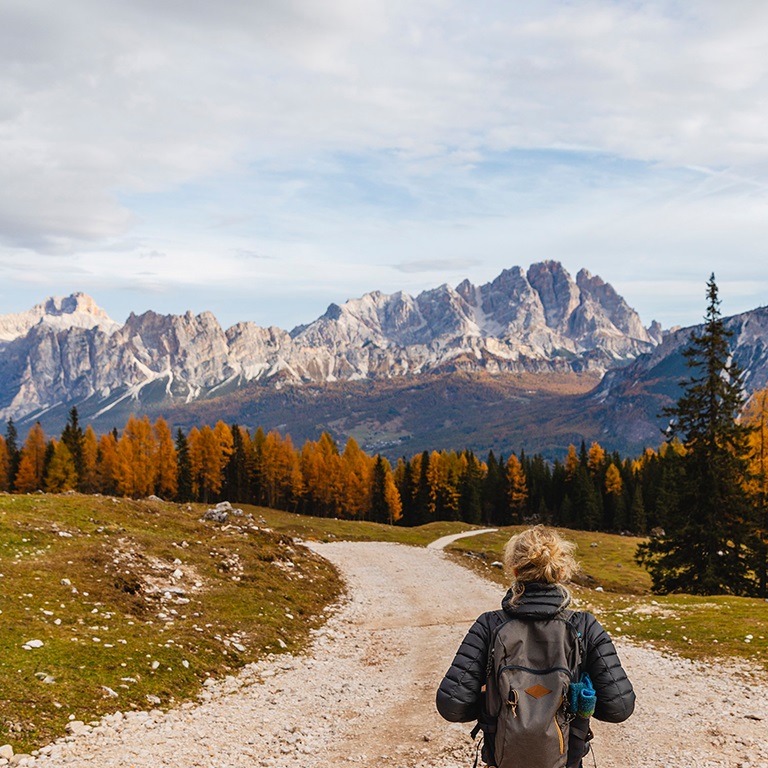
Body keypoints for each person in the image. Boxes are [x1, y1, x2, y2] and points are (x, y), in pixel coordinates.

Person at [436, 526, 635, 768]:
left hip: (503, 759)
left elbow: (452, 706)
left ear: (515, 570)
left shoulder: (489, 625)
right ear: (561, 571)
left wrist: (495, 703)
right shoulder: (584, 626)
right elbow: (619, 708)